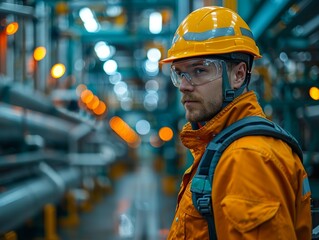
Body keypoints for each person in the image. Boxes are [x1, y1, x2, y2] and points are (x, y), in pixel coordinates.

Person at [160, 6, 312, 239]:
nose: (184, 85)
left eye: (199, 70)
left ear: (239, 75)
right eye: (179, 73)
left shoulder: (248, 158)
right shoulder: (221, 147)